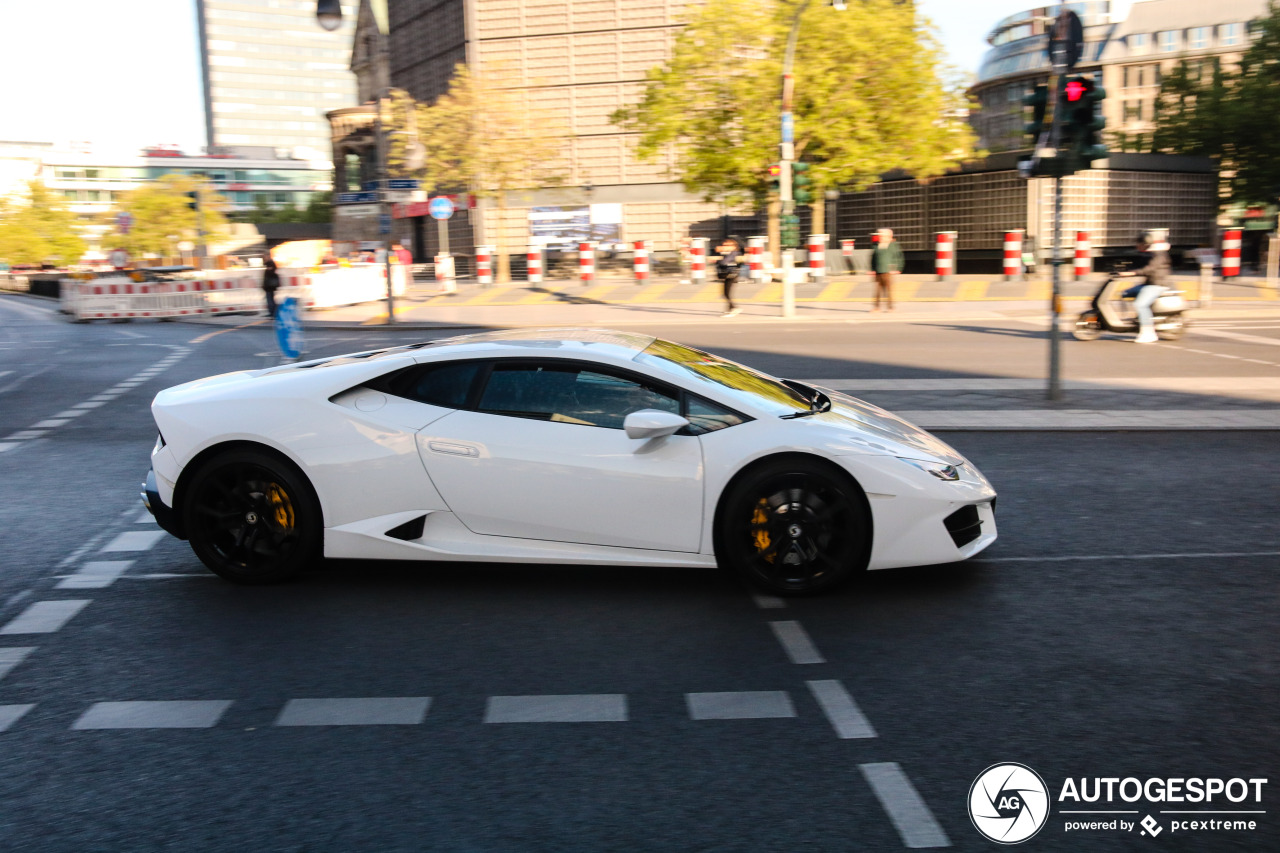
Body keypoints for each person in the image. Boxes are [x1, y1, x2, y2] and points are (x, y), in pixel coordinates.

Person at [1118, 230, 1170, 344]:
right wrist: (1123, 269)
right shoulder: (1149, 253)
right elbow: (1139, 264)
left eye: (1138, 243)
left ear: (1145, 243)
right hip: (1148, 284)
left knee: (1140, 304)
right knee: (1124, 293)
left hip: (1157, 285)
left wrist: (1132, 273)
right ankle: (1137, 321)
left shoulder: (1159, 254)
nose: (1137, 246)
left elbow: (1149, 269)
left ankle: (1148, 333)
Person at [870, 228, 903, 312]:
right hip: (878, 271)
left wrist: (898, 268)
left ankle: (890, 307)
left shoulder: (893, 245)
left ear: (888, 236)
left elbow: (899, 257)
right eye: (880, 235)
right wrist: (872, 269)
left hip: (888, 271)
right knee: (877, 291)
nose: (880, 237)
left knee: (889, 291)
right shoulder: (876, 245)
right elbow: (873, 258)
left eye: (882, 235)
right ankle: (876, 307)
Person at [715, 237, 743, 317]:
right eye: (724, 245)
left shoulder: (733, 253)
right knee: (725, 293)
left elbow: (724, 262)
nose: (725, 246)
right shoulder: (729, 253)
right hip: (728, 274)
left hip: (731, 275)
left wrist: (718, 260)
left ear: (734, 246)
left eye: (727, 245)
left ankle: (734, 308)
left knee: (726, 293)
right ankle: (730, 309)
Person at [261, 255, 280, 319]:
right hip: (269, 286)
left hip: (269, 286)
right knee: (270, 299)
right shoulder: (270, 266)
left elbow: (269, 276)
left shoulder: (270, 265)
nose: (263, 259)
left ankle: (273, 313)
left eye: (264, 257)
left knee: (270, 300)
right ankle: (272, 312)